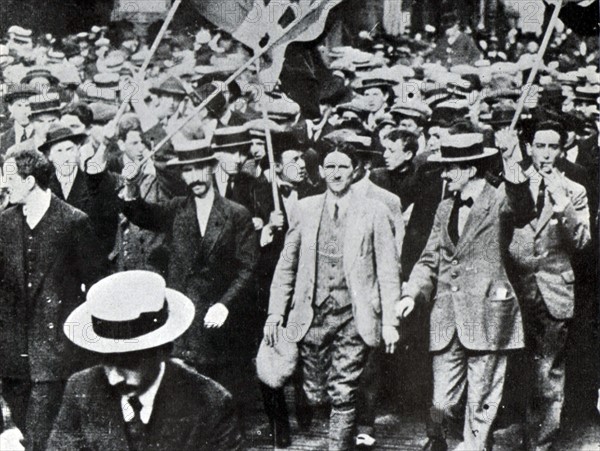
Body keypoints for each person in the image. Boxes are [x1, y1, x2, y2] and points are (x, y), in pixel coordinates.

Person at [264, 144, 404, 450]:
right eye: (330, 167)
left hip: (355, 313)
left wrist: (390, 321)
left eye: (343, 167)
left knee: (343, 389)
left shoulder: (374, 211)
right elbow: (287, 265)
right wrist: (276, 313)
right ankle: (342, 422)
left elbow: (389, 271)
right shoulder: (305, 208)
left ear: (354, 171)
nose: (336, 173)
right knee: (316, 393)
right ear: (321, 171)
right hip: (312, 314)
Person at [402, 132, 527, 451]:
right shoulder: (444, 207)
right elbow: (430, 258)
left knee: (483, 396)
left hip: (488, 315)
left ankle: (475, 445)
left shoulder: (499, 199)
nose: (443, 174)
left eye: (450, 168)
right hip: (446, 317)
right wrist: (411, 292)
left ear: (471, 169)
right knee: (441, 398)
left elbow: (523, 207)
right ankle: (438, 437)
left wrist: (512, 158)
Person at [120, 141, 259, 410]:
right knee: (185, 392)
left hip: (219, 320)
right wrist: (130, 185)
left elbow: (247, 267)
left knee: (220, 394)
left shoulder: (236, 214)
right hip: (184, 316)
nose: (194, 177)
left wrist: (224, 304)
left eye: (199, 169)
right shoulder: (176, 209)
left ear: (212, 169)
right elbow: (140, 214)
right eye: (188, 171)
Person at [47, 270, 242, 450]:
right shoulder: (81, 390)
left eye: (127, 362)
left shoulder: (210, 404)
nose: (115, 378)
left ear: (162, 350)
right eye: (106, 360)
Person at [0, 148, 102, 450]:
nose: (4, 184)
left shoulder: (73, 222)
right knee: (22, 432)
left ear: (30, 181)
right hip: (14, 361)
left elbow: (96, 285)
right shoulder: (4, 224)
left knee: (40, 438)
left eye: (9, 178)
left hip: (56, 357)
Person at [499, 121, 591, 451]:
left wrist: (562, 202)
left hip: (554, 290)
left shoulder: (574, 191)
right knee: (518, 365)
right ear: (531, 148)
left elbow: (581, 241)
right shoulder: (514, 184)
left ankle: (542, 442)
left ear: (562, 151)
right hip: (517, 289)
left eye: (553, 147)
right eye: (541, 146)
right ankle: (516, 430)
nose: (547, 153)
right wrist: (510, 160)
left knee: (548, 368)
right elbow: (509, 215)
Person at [0, 84, 36, 156]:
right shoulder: (2, 140)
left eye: (28, 106)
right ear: (10, 108)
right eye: (19, 105)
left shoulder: (43, 136)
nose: (24, 111)